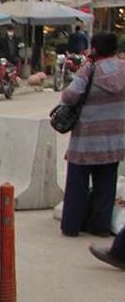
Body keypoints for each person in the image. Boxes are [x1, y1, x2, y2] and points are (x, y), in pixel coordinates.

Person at [59, 31, 125, 237]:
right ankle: (101, 226)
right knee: (106, 185)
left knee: (77, 184)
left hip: (86, 139)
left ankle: (72, 226)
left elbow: (69, 96)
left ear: (95, 49)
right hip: (114, 139)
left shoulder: (89, 70)